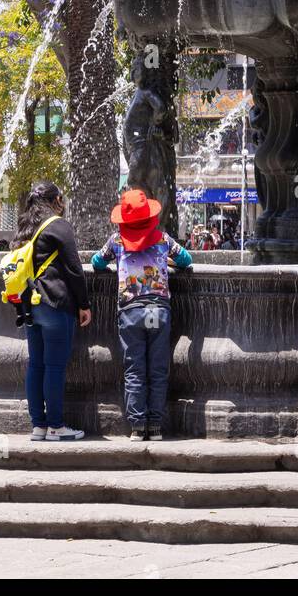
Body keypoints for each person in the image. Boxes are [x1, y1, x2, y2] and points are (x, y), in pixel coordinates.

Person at [91, 188, 192, 441]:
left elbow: (96, 263)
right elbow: (186, 259)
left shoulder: (116, 242)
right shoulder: (162, 239)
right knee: (158, 369)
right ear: (149, 217)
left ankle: (137, 427)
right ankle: (155, 426)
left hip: (131, 311)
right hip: (159, 310)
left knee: (134, 370)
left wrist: (117, 263)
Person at [14, 181, 91, 442]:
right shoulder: (58, 225)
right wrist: (84, 304)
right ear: (56, 199)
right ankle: (56, 426)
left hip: (29, 305)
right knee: (55, 367)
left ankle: (39, 426)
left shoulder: (25, 226)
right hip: (55, 303)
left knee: (36, 364)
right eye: (62, 197)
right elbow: (73, 268)